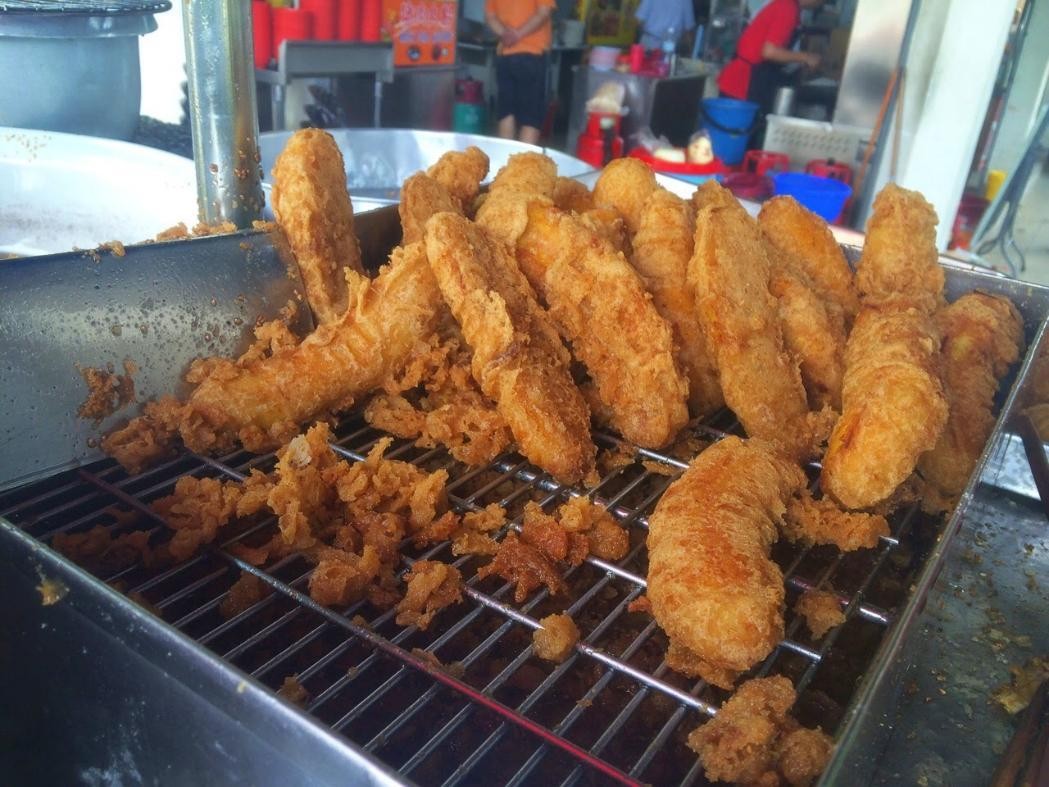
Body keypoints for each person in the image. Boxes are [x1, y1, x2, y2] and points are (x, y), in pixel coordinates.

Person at [717, 0, 822, 117]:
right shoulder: (787, 8)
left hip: (751, 80)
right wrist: (805, 57)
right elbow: (769, 52)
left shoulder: (791, 8)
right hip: (744, 83)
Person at [485, 0, 555, 145]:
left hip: (506, 54)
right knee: (531, 117)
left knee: (506, 112)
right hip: (533, 54)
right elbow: (543, 12)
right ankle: (524, 159)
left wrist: (505, 34)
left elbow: (490, 17)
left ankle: (505, 156)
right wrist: (517, 34)